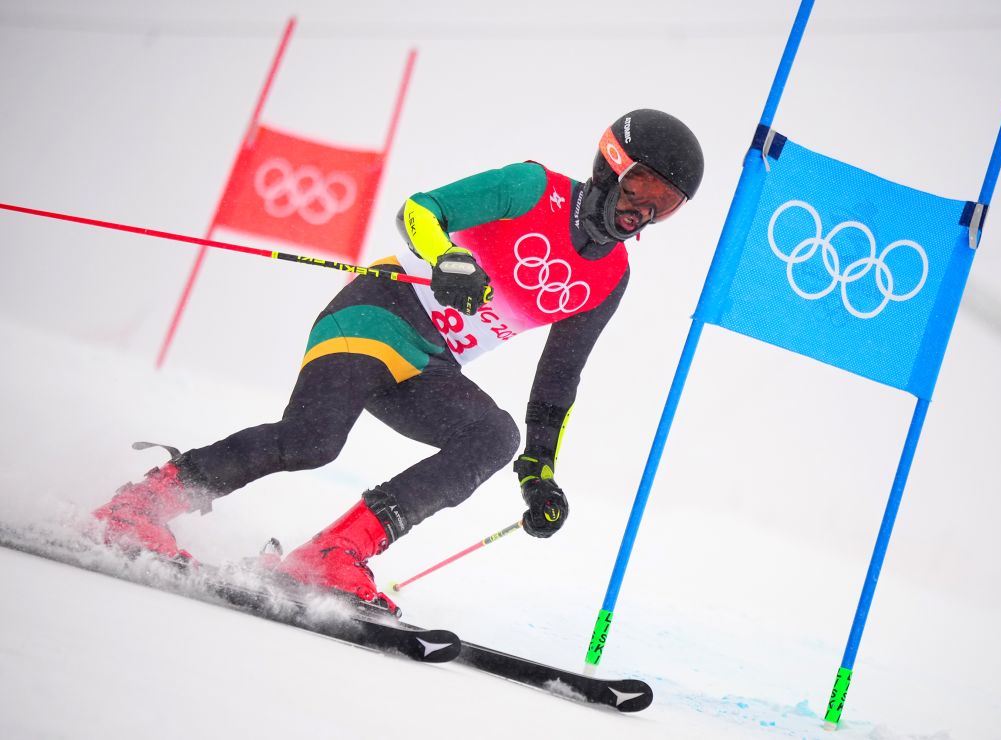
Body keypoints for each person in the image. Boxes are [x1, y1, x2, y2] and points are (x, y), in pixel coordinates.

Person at [91, 109, 704, 615]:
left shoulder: (611, 276)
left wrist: (538, 468)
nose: (645, 208)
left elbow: (558, 378)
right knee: (312, 440)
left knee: (494, 436)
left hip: (430, 362)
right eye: (644, 185)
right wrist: (445, 257)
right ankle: (138, 508)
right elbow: (421, 209)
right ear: (613, 162)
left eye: (667, 203)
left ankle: (333, 553)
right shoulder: (531, 188)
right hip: (380, 309)